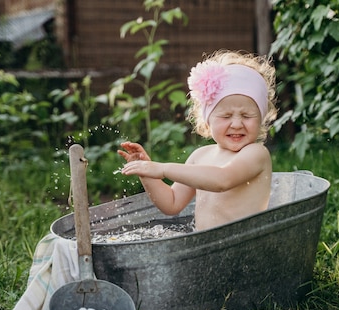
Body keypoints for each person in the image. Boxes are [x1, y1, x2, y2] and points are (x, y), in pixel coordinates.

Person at [118, 50, 277, 231]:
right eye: (226, 116)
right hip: (206, 249)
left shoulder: (256, 154)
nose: (237, 124)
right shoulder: (200, 156)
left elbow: (222, 180)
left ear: (261, 118)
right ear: (207, 121)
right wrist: (146, 173)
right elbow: (172, 203)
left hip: (243, 247)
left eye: (247, 115)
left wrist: (163, 168)